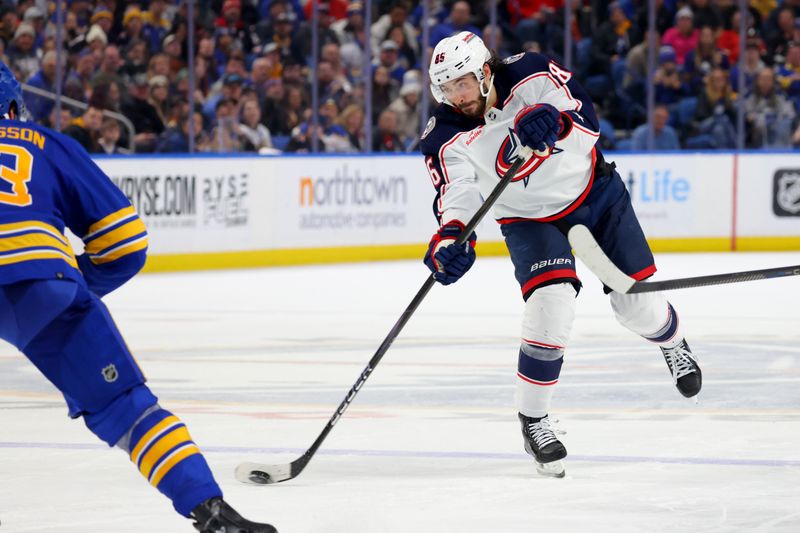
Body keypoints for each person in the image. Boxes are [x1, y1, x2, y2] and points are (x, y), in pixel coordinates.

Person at [0, 62, 276, 532]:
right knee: (126, 408)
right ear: (12, 105)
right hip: (40, 284)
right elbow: (125, 241)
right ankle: (210, 513)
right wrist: (72, 282)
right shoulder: (44, 143)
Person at [420, 33, 701, 478]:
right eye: (447, 88)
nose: (457, 96)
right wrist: (452, 236)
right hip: (529, 220)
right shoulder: (444, 133)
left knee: (637, 306)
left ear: (484, 71)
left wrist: (556, 124)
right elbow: (458, 194)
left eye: (463, 83)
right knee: (550, 305)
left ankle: (671, 342)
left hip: (594, 193)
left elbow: (587, 123)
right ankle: (534, 420)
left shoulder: (530, 71)